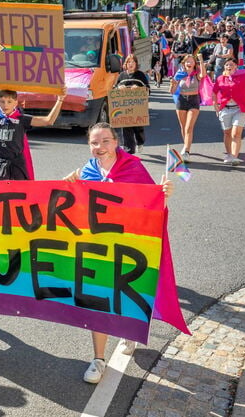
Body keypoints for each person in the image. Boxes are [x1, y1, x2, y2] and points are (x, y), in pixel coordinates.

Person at [62, 122, 173, 384]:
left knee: (125, 294)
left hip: (128, 247)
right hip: (97, 247)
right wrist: (70, 188)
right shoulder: (86, 171)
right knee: (97, 299)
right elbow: (75, 213)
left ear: (116, 142)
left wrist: (164, 195)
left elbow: (150, 208)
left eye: (105, 141)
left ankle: (127, 329)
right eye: (94, 143)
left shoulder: (133, 167)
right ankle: (98, 359)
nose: (99, 147)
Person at [170, 54, 207, 162]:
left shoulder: (196, 74)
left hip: (194, 100)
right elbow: (172, 91)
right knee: (183, 126)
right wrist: (172, 84)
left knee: (189, 127)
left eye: (191, 61)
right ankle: (186, 144)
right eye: (187, 62)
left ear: (194, 64)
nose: (189, 63)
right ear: (184, 64)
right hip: (181, 100)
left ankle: (186, 150)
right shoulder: (179, 74)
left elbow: (203, 75)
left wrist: (200, 59)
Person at [115, 54, 150, 155]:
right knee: (126, 128)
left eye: (133, 62)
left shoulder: (140, 75)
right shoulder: (121, 76)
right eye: (129, 62)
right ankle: (129, 150)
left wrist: (139, 88)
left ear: (136, 64)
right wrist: (119, 88)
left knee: (138, 128)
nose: (131, 64)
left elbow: (147, 89)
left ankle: (140, 142)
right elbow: (114, 89)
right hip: (125, 108)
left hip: (138, 108)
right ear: (126, 64)